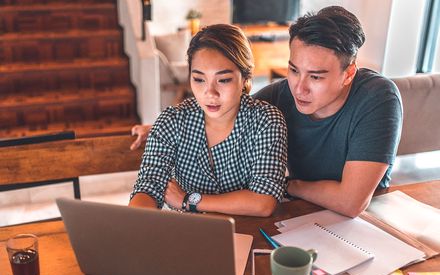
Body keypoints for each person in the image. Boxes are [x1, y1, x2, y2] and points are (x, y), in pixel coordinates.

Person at [254, 6, 402, 217]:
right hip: (299, 214)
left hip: (366, 224)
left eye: (315, 77)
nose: (299, 88)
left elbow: (351, 203)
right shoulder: (275, 97)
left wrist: (290, 186)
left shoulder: (378, 97)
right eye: (294, 70)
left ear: (349, 73)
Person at [129, 24, 287, 217]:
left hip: (250, 232)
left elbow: (264, 202)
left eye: (223, 80)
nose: (209, 93)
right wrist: (135, 225)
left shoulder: (266, 121)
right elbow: (148, 186)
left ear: (245, 77)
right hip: (190, 233)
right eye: (199, 79)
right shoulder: (172, 121)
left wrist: (188, 200)